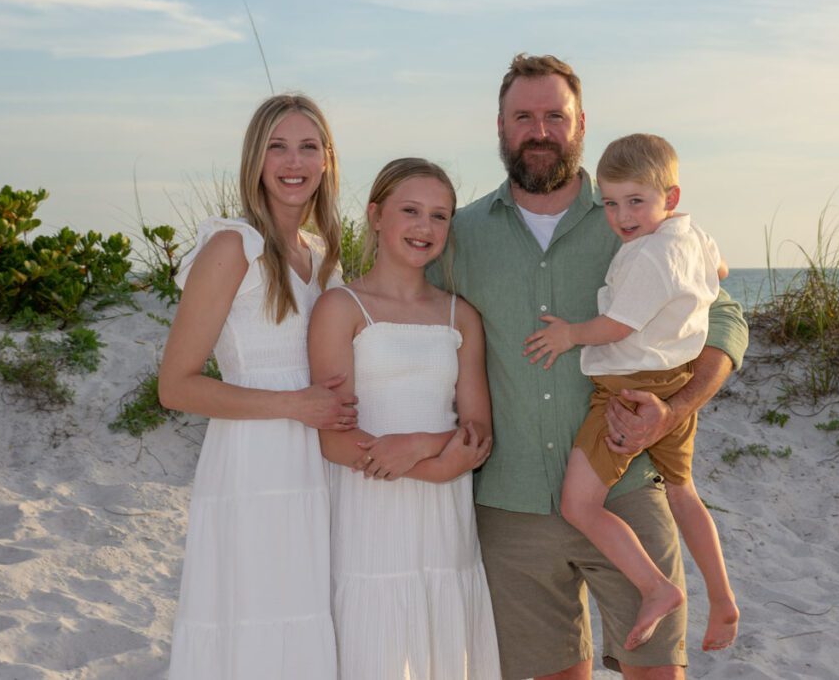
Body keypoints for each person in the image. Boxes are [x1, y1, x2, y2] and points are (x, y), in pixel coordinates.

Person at [432, 54, 748, 680]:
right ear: (500, 124)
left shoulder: (638, 221)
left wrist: (674, 412)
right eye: (524, 116)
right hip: (509, 508)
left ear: (581, 123)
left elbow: (725, 322)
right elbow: (406, 316)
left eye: (556, 115)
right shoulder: (460, 235)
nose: (540, 130)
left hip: (627, 494)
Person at [160, 94, 355, 680]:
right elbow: (176, 386)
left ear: (327, 161)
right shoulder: (232, 246)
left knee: (304, 617)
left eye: (307, 146)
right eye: (277, 146)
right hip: (253, 463)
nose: (293, 161)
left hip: (318, 463)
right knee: (255, 616)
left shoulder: (322, 259)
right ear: (255, 159)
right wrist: (294, 405)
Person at [522, 133, 737, 653]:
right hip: (674, 381)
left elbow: (617, 326)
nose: (622, 217)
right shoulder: (691, 236)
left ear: (671, 197)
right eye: (612, 203)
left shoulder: (648, 255)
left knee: (579, 504)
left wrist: (569, 334)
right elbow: (721, 272)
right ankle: (723, 599)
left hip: (626, 393)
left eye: (636, 201)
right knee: (683, 493)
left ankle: (655, 586)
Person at [308, 157, 502, 679]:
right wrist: (433, 461)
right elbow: (333, 439)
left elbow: (477, 431)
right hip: (368, 505)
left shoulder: (461, 314)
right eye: (410, 210)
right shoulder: (341, 307)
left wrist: (421, 446)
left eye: (440, 216)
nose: (425, 227)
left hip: (444, 515)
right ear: (375, 215)